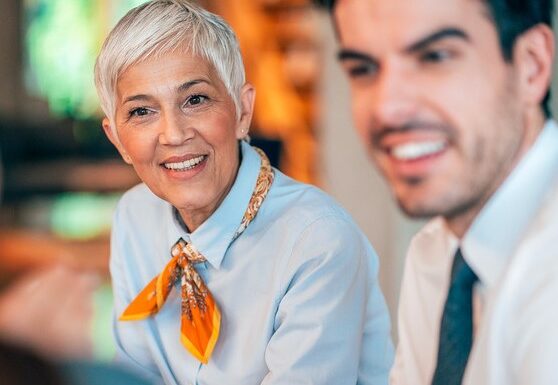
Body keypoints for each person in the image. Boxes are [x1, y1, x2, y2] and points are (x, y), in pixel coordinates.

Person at [94, 1, 394, 384]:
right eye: (141, 112)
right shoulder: (134, 216)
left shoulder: (317, 241)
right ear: (117, 139)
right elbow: (135, 374)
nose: (173, 134)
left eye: (195, 100)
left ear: (242, 110)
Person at [322, 0, 558, 384]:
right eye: (363, 69)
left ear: (531, 65)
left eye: (435, 56)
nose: (388, 109)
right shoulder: (436, 253)